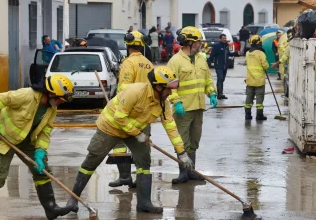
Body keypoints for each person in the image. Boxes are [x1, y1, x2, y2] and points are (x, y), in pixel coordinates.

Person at [65, 67, 193, 214]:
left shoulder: (163, 103)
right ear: (158, 87)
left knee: (144, 162)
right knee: (92, 160)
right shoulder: (135, 92)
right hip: (110, 127)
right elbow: (119, 117)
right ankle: (73, 199)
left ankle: (144, 203)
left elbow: (171, 127)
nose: (170, 93)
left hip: (136, 130)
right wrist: (137, 133)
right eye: (167, 89)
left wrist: (181, 153)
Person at [0, 75, 75, 220]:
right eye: (60, 99)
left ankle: (51, 209)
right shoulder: (26, 95)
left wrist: (40, 151)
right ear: (51, 93)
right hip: (3, 137)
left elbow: (45, 132)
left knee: (42, 170)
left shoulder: (51, 109)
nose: (60, 103)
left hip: (26, 141)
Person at [167, 26, 217, 184]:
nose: (200, 45)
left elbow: (207, 79)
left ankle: (191, 170)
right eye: (197, 42)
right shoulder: (175, 61)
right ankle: (183, 172)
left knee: (194, 141)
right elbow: (169, 86)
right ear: (188, 42)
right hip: (183, 108)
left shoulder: (201, 58)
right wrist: (176, 102)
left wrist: (212, 93)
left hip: (198, 107)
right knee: (182, 142)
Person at [106, 30, 154, 190]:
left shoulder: (128, 63)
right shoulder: (148, 63)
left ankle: (125, 176)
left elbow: (124, 89)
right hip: (144, 113)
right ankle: (141, 181)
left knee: (119, 143)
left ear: (128, 45)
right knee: (141, 148)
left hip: (128, 112)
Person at [244, 35, 269, 121]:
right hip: (259, 81)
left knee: (249, 98)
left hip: (250, 80)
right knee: (259, 99)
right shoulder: (261, 53)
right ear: (258, 43)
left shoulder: (247, 53)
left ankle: (247, 115)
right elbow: (265, 66)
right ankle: (259, 116)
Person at [208, 34, 237, 100]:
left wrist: (235, 53)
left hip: (225, 66)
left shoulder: (226, 46)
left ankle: (221, 93)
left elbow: (228, 53)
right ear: (220, 39)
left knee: (222, 80)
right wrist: (209, 63)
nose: (224, 39)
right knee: (220, 79)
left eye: (225, 38)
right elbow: (212, 55)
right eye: (223, 38)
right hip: (219, 66)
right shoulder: (217, 46)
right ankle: (219, 94)